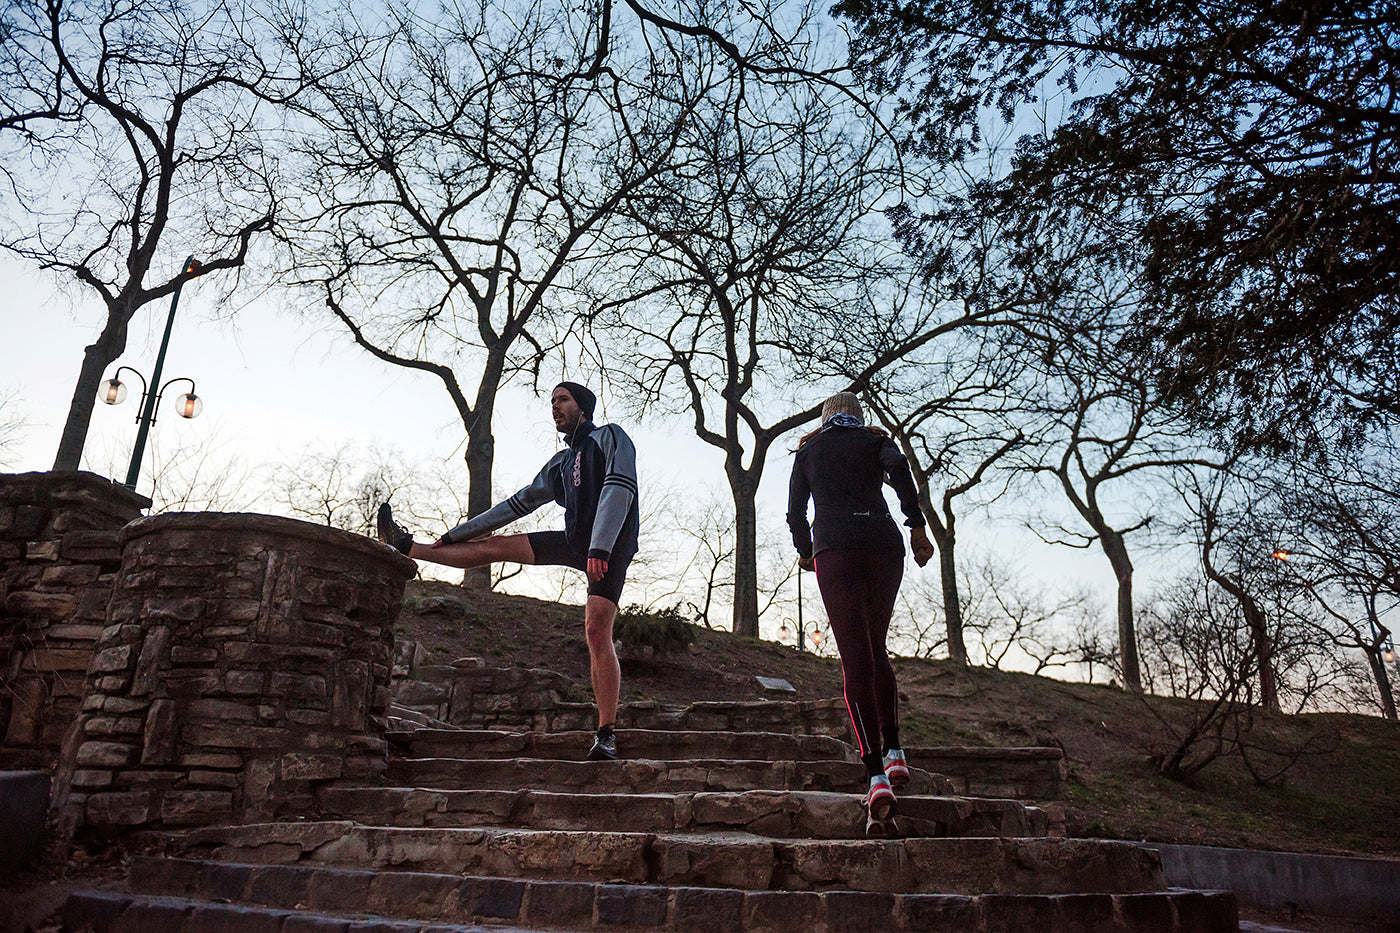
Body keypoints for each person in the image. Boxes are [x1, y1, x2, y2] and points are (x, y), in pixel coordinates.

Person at [375, 381, 640, 762]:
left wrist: (601, 546)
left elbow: (620, 486)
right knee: (496, 545)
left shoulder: (610, 437)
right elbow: (515, 505)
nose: (555, 407)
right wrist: (457, 533)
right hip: (574, 541)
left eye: (563, 399)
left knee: (597, 631)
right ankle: (405, 547)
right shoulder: (561, 463)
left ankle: (606, 733)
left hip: (610, 545)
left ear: (583, 406)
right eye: (551, 401)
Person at [786, 391, 934, 835]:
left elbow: (796, 513)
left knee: (855, 658)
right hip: (883, 545)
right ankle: (895, 752)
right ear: (858, 416)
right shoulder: (876, 441)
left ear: (826, 418)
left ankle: (874, 775)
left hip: (836, 548)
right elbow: (900, 472)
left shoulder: (809, 451)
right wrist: (916, 523)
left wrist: (805, 551)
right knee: (876, 647)